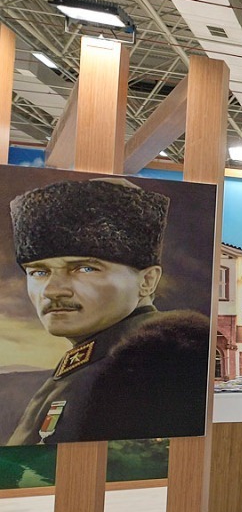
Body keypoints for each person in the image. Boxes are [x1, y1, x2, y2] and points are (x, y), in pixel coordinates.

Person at [6, 177, 209, 445]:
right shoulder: (100, 362)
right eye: (38, 272)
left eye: (85, 268)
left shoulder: (155, 368)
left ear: (147, 281)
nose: (52, 290)